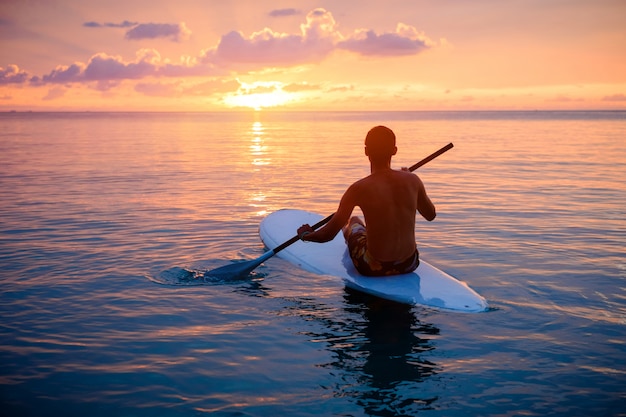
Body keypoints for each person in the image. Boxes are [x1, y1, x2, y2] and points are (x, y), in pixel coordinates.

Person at [296, 125, 436, 277]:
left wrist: (306, 235)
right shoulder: (413, 180)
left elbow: (327, 235)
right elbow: (430, 215)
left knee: (353, 221)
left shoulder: (358, 189)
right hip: (410, 263)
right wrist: (410, 182)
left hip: (373, 266)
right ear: (394, 150)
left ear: (366, 151)